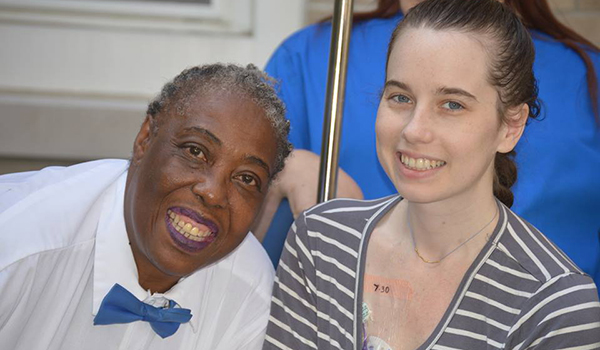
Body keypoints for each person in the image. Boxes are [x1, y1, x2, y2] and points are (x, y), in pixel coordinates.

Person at [263, 0, 600, 349]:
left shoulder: (554, 305)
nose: (415, 130)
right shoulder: (320, 242)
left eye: (453, 104)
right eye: (400, 97)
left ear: (511, 126)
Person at [0, 63, 292, 350]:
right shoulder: (18, 245)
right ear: (144, 139)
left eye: (246, 178)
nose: (213, 193)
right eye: (195, 151)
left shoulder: (249, 294)